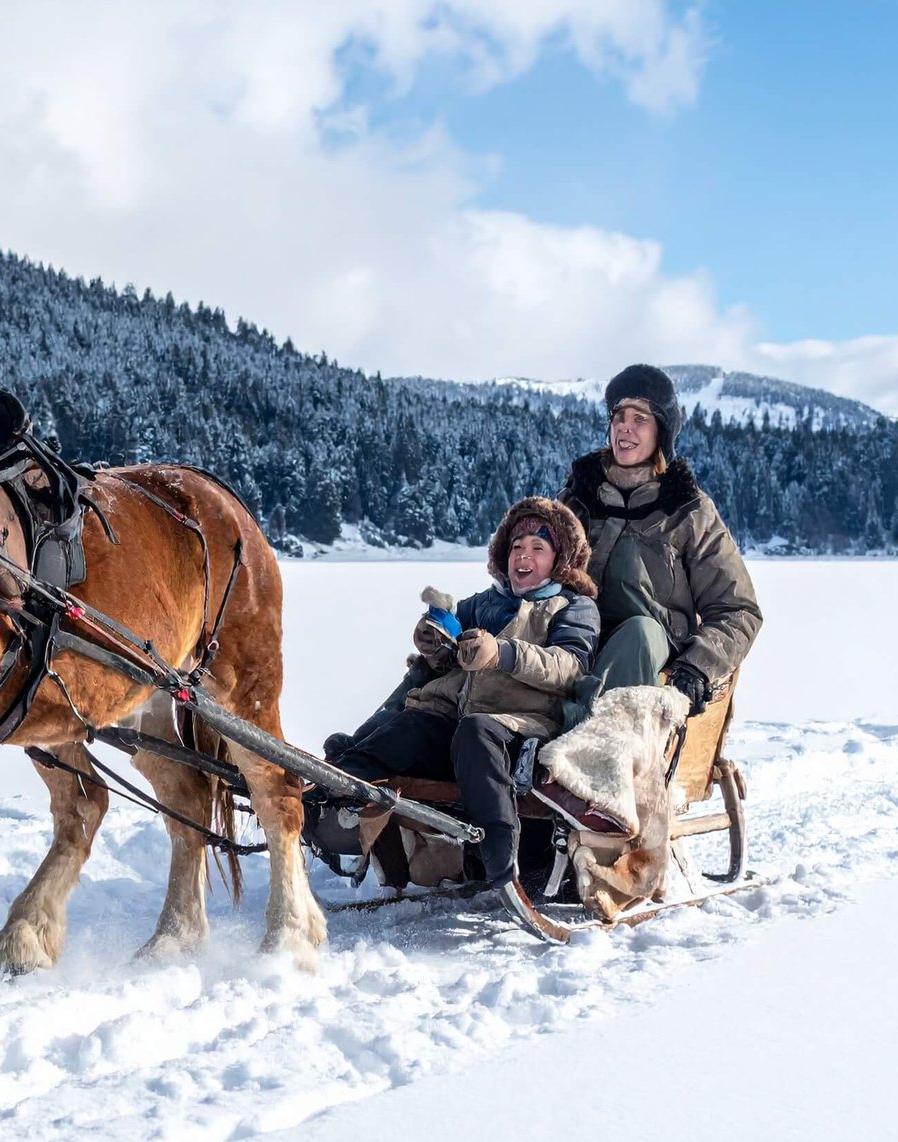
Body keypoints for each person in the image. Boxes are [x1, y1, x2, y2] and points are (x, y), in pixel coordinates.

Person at [322, 497, 599, 897]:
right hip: (458, 721)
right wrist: (435, 642)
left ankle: (501, 853)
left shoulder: (572, 607)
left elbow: (569, 667)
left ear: (559, 560)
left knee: (476, 731)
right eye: (517, 547)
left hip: (522, 725)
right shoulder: (483, 603)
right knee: (411, 725)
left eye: (538, 549)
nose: (524, 556)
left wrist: (503, 654)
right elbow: (449, 651)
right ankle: (329, 790)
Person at [557, 363, 762, 716]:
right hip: (574, 640)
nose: (625, 425)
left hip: (651, 654)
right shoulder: (577, 498)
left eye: (640, 418)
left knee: (639, 633)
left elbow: (737, 610)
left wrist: (697, 666)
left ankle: (585, 743)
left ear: (661, 432)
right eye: (619, 415)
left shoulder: (688, 510)